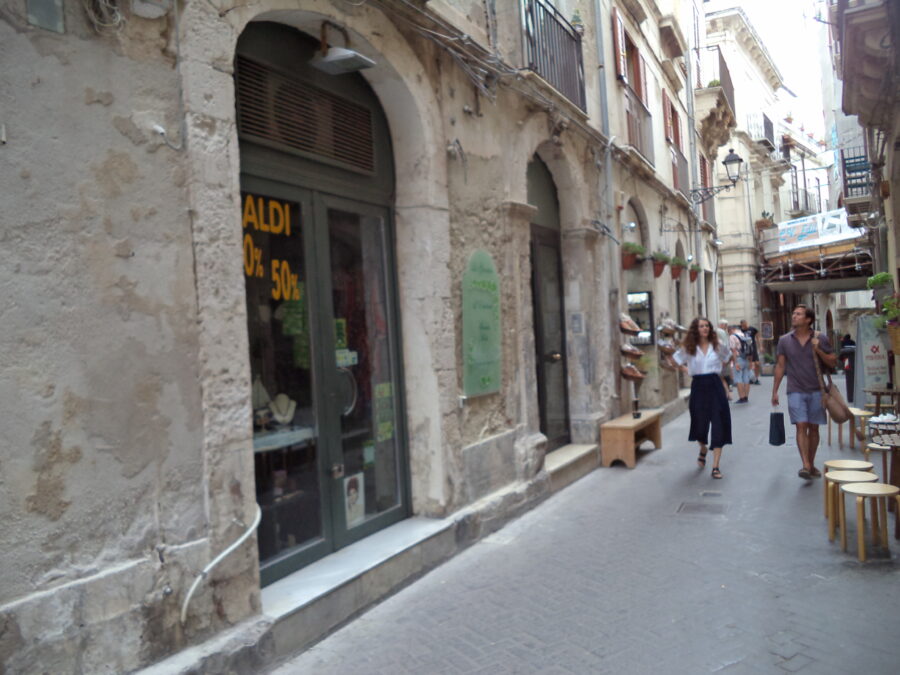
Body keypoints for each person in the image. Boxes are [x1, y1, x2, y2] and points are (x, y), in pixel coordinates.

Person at [771, 305, 838, 480]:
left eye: (798, 314)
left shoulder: (820, 338)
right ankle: (806, 465)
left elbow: (833, 362)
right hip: (795, 390)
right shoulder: (784, 340)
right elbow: (780, 366)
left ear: (808, 319)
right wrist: (775, 390)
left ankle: (811, 462)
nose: (794, 316)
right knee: (801, 425)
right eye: (793, 313)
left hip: (817, 390)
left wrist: (819, 351)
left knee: (813, 428)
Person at [672, 317, 733, 479]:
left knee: (719, 422)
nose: (705, 328)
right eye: (701, 326)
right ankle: (703, 448)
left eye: (707, 326)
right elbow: (676, 360)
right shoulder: (690, 348)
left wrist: (719, 370)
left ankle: (715, 467)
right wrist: (688, 370)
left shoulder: (717, 345)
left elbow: (728, 357)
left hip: (714, 385)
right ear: (695, 329)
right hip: (698, 386)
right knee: (699, 424)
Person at [729, 324, 751, 404]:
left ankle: (742, 398)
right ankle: (746, 397)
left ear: (732, 329)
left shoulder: (732, 336)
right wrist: (750, 361)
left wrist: (736, 362)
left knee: (738, 378)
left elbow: (733, 350)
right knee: (746, 378)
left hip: (738, 358)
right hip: (746, 359)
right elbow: (750, 349)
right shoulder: (745, 335)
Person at [716, 319, 734, 398]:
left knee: (721, 377)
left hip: (721, 358)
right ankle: (728, 391)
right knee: (724, 376)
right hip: (724, 357)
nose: (726, 326)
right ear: (721, 325)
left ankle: (727, 393)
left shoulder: (720, 332)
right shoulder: (722, 332)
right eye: (725, 325)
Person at [740, 319, 762, 384]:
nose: (744, 326)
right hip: (745, 349)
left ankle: (756, 378)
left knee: (757, 363)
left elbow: (758, 336)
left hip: (753, 348)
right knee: (747, 364)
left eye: (745, 325)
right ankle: (751, 378)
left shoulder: (752, 329)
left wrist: (760, 346)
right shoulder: (741, 330)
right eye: (742, 325)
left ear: (746, 323)